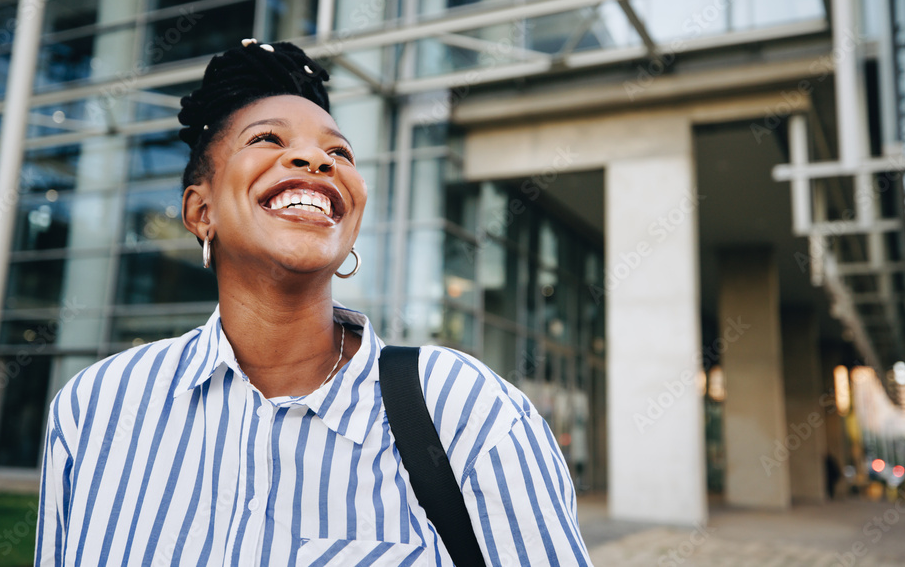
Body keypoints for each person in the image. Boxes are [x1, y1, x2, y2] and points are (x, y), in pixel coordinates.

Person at [34, 40, 594, 566]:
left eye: (338, 152)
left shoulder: (468, 410)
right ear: (200, 212)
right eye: (268, 140)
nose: (317, 161)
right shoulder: (96, 407)